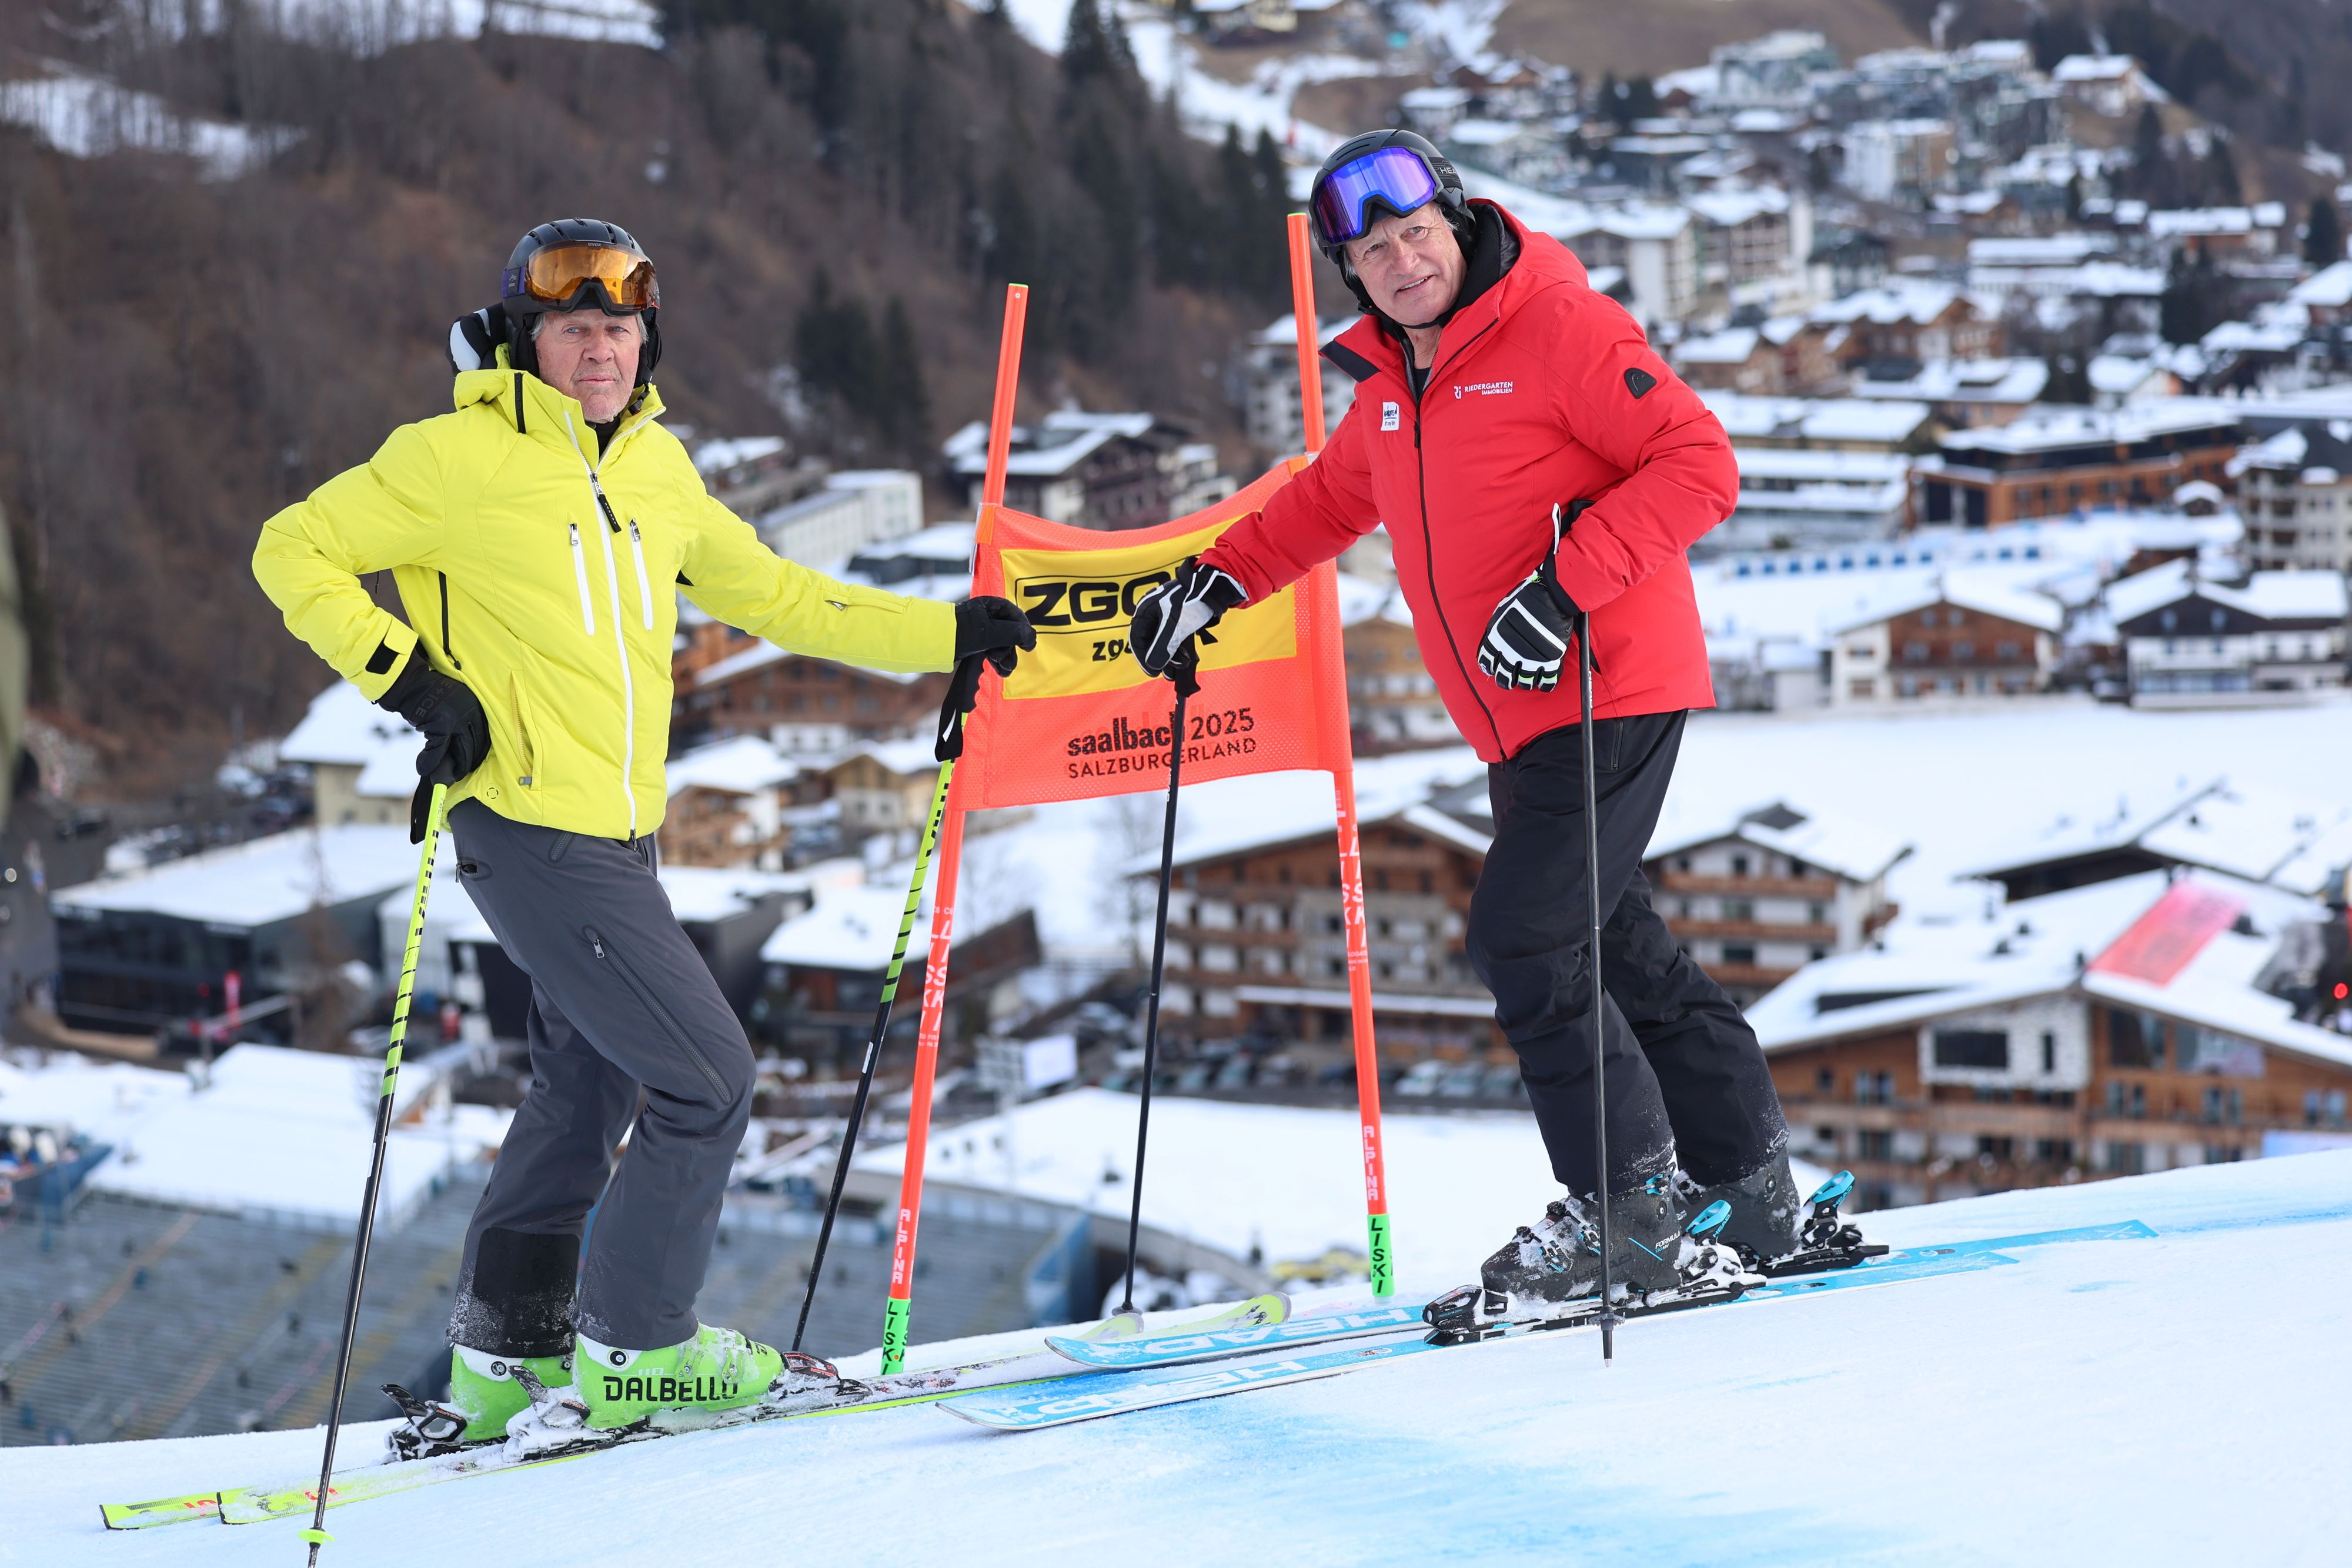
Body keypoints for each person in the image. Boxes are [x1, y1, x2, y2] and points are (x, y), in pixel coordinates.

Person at [254, 219, 1034, 1440]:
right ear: (524, 337)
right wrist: (410, 678)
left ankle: (505, 1357)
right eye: (574, 325)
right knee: (708, 1077)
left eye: (619, 325)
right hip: (529, 828)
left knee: (588, 1076)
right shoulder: (454, 456)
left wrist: (943, 636)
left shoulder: (656, 470)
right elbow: (290, 547)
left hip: (619, 838)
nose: (601, 348)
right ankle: (636, 1346)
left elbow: (778, 594)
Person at [1129, 133, 1859, 1310]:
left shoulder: (1557, 327)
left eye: (1416, 232)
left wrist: (1562, 586)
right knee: (1619, 948)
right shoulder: (1388, 389)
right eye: (1372, 248)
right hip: (1512, 723)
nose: (1403, 259)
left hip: (1601, 682)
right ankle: (1753, 1196)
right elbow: (1317, 505)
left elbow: (1698, 463)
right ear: (1348, 272)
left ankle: (1632, 1214)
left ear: (1456, 226)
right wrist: (1213, 581)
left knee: (1522, 939)